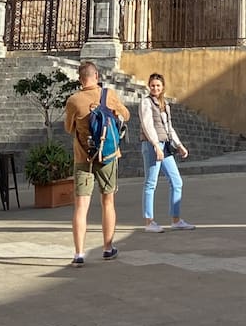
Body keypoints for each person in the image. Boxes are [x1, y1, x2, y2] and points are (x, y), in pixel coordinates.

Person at [64, 60, 130, 266]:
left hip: (83, 157)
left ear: (80, 79)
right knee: (108, 202)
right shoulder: (108, 95)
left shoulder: (74, 100)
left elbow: (68, 128)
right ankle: (108, 248)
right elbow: (126, 115)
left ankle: (79, 253)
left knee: (81, 206)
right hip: (108, 156)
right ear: (97, 77)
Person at [139, 73, 194, 232]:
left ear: (163, 87)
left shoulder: (165, 105)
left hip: (165, 146)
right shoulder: (146, 102)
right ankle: (149, 222)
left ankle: (176, 220)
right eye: (152, 85)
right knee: (151, 183)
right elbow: (147, 125)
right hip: (152, 145)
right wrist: (156, 146)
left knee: (177, 181)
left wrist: (179, 145)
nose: (155, 88)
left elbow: (169, 128)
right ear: (149, 86)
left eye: (158, 85)